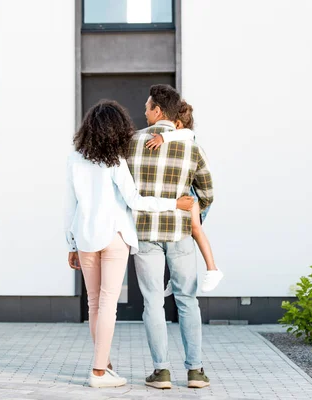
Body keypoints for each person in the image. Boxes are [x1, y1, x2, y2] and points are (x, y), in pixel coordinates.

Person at [64, 100, 195, 388]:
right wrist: (174, 203)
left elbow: (69, 207)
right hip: (114, 236)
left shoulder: (75, 159)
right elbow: (135, 201)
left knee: (94, 304)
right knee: (108, 304)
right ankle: (99, 372)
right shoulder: (115, 161)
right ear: (117, 130)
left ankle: (105, 364)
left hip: (85, 237)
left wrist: (71, 243)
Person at [127, 85, 214, 389]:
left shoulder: (132, 143)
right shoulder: (193, 147)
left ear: (158, 112)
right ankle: (195, 372)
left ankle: (161, 372)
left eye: (148, 107)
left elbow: (123, 192)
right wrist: (195, 219)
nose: (145, 111)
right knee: (187, 300)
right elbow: (207, 192)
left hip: (145, 232)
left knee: (152, 301)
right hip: (179, 233)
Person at [145, 100, 223, 295]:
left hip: (191, 195)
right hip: (186, 196)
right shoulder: (183, 139)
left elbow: (187, 133)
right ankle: (176, 277)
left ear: (177, 124)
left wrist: (163, 138)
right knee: (190, 235)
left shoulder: (186, 138)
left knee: (195, 229)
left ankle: (213, 269)